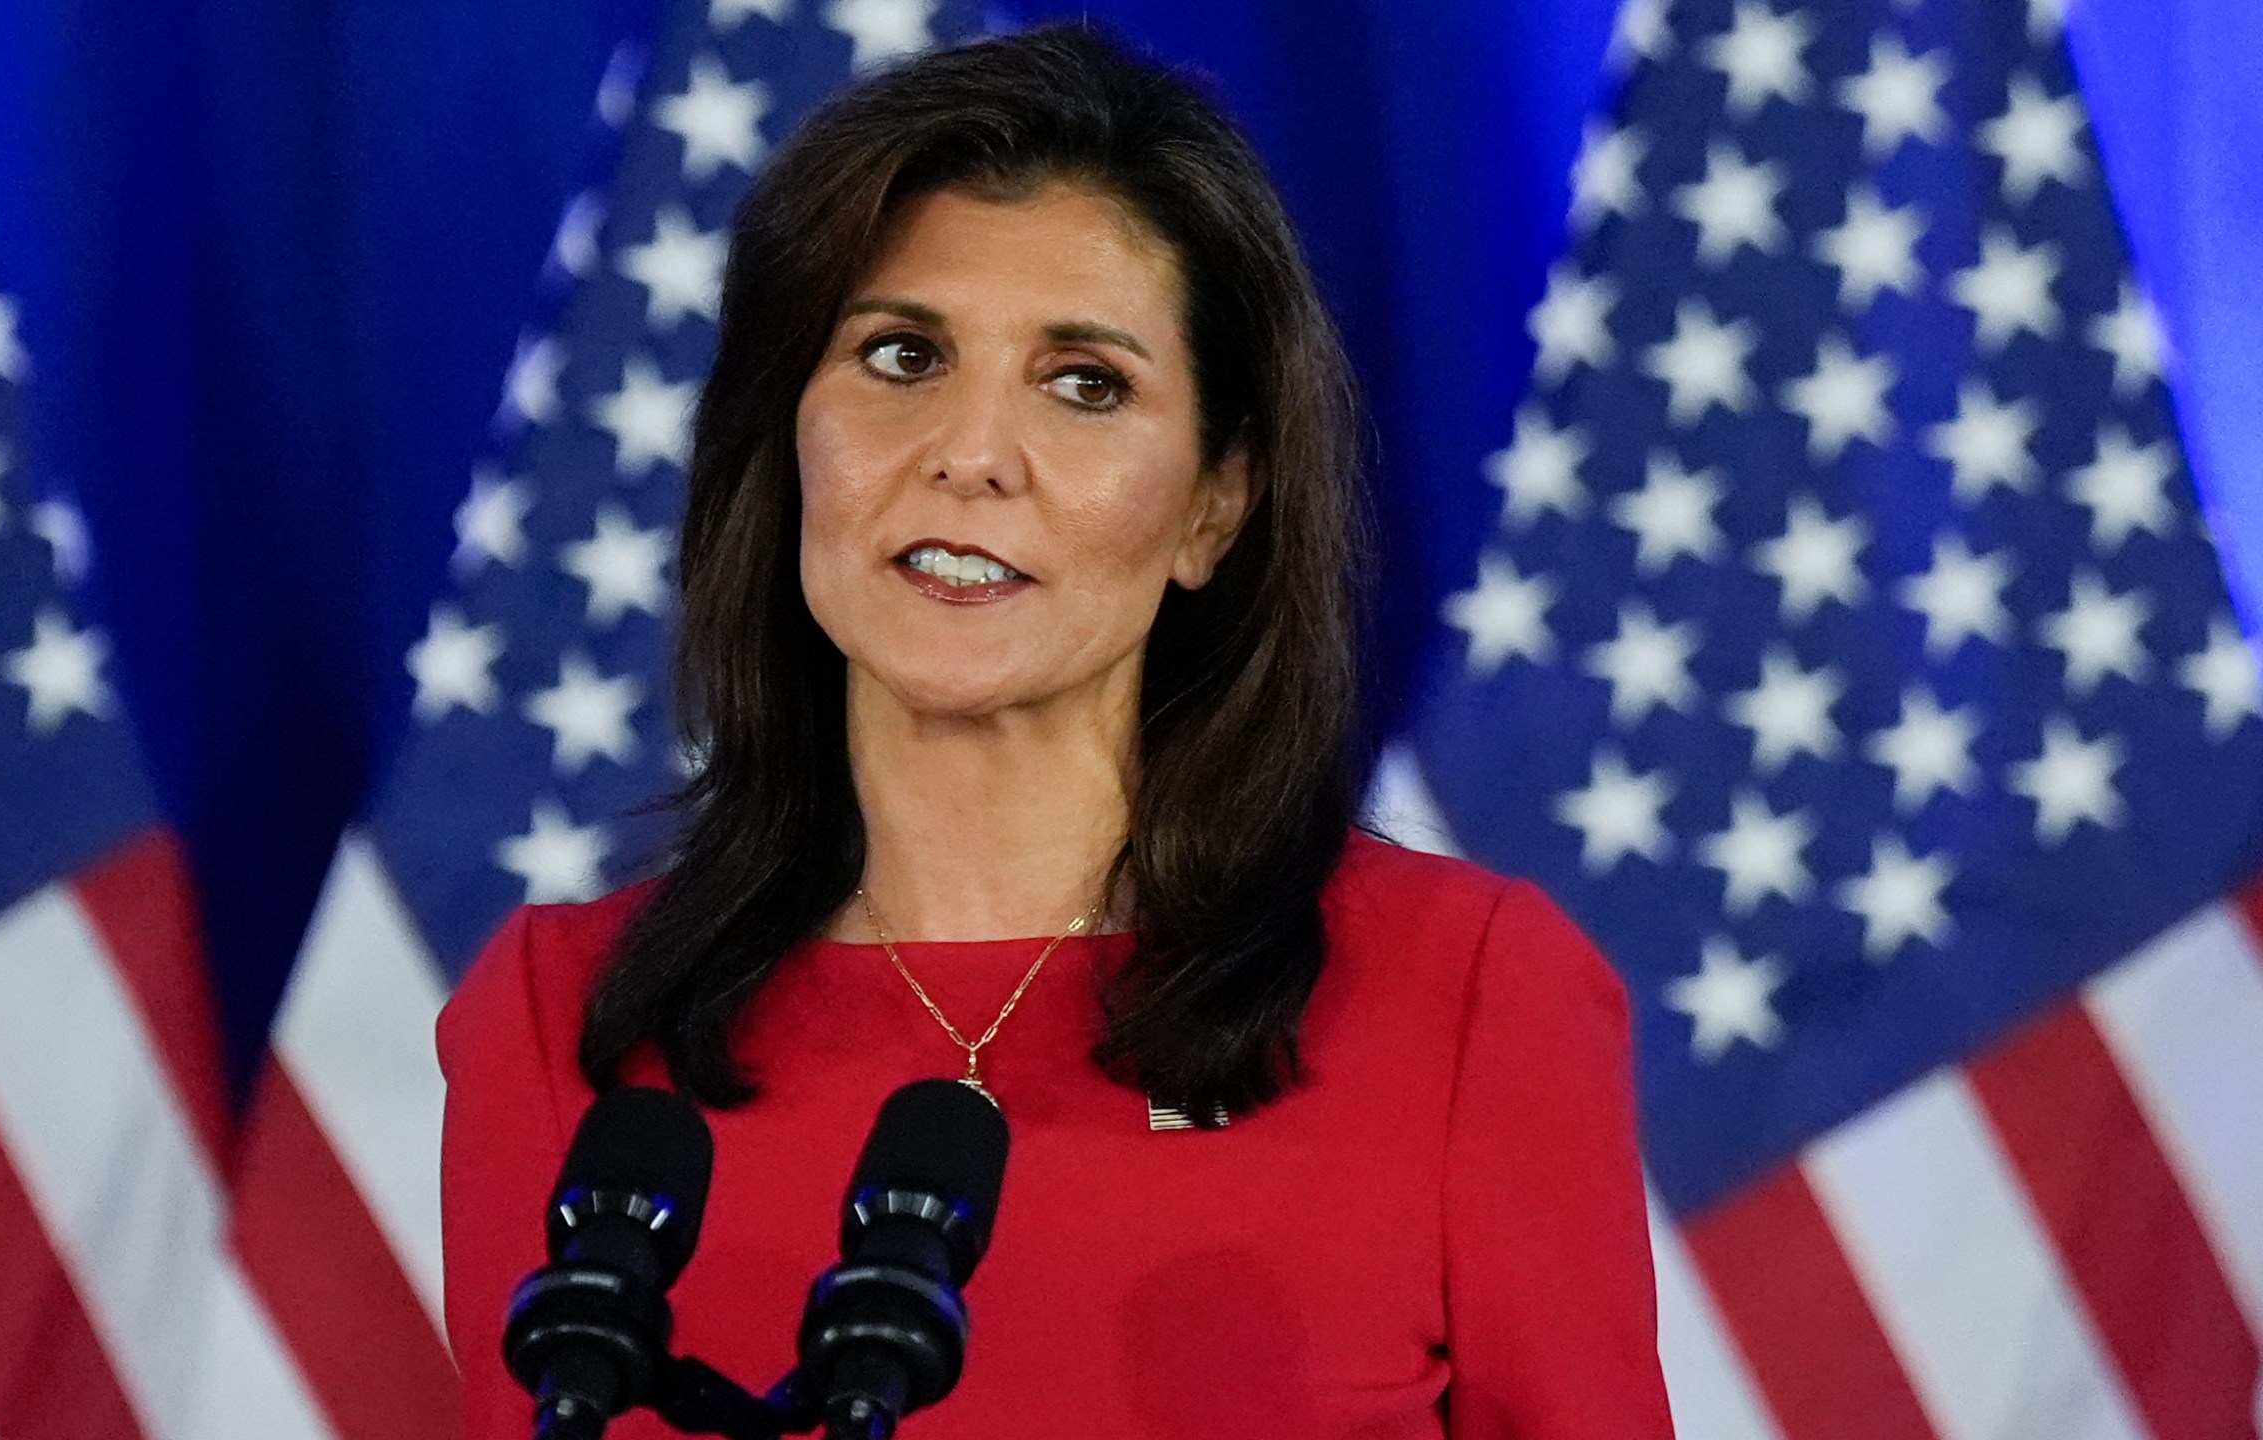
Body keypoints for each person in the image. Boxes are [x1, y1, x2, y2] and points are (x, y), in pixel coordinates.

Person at [439, 24, 1671, 1440]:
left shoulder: (1467, 1003)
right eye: (901, 354)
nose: (970, 453)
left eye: (1086, 382)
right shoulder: (565, 1025)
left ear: (1215, 503)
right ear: (788, 444)